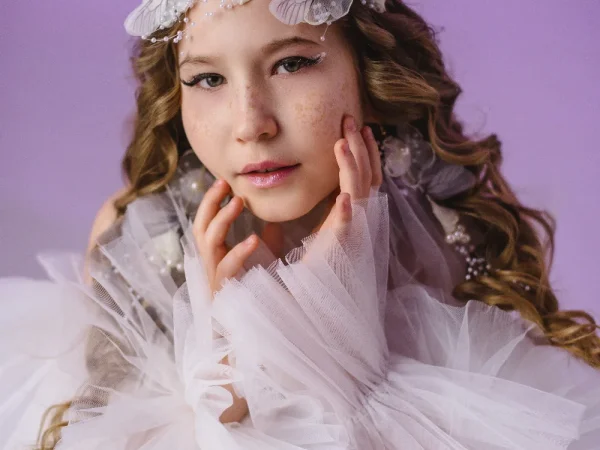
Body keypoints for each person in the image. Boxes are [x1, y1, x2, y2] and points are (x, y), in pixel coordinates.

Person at [1, 0, 599, 448]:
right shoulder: (145, 239)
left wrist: (340, 293)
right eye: (208, 79)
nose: (251, 124)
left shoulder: (436, 215)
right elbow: (115, 434)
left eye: (291, 64)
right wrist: (232, 334)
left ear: (368, 73)